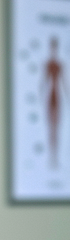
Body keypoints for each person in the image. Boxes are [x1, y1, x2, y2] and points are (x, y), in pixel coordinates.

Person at [42, 36, 67, 169]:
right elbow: (44, 82)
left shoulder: (59, 65)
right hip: (49, 97)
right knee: (50, 127)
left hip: (57, 97)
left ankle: (55, 157)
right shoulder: (48, 64)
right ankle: (51, 157)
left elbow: (63, 83)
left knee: (56, 127)